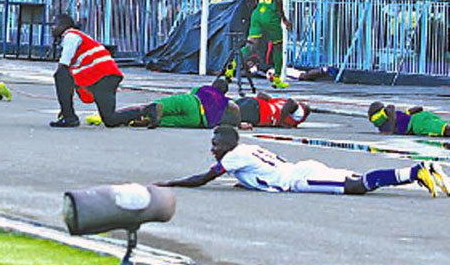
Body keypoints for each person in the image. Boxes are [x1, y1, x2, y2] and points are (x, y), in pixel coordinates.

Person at [155, 125, 447, 197]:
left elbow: (204, 178)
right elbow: (265, 170)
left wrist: (171, 183)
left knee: (357, 186)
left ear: (228, 145)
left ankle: (416, 171)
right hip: (299, 169)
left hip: (299, 179)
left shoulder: (233, 156)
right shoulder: (247, 151)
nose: (213, 150)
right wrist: (250, 184)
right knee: (357, 180)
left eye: (215, 145)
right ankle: (417, 172)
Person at [50, 14, 125, 128]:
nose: (52, 28)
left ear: (64, 26)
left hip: (103, 76)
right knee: (110, 119)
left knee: (60, 76)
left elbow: (64, 65)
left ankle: (69, 117)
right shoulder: (78, 36)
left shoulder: (70, 36)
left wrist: (65, 105)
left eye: (55, 24)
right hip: (107, 76)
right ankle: (147, 111)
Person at [88, 79, 240, 128]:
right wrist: (238, 123)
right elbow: (235, 107)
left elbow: (190, 95)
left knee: (163, 105)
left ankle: (151, 112)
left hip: (194, 103)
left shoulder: (205, 89)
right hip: (199, 121)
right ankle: (146, 121)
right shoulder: (224, 100)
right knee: (168, 122)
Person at [238, 0, 291, 89]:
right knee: (278, 46)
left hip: (257, 14)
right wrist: (284, 18)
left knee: (250, 44)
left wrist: (255, 8)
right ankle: (277, 78)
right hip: (271, 16)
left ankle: (231, 68)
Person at [367, 102, 450, 137]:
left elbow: (390, 108)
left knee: (441, 129)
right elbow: (415, 110)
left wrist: (390, 132)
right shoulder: (381, 119)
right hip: (419, 119)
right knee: (442, 125)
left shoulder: (380, 117)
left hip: (417, 123)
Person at [237, 93, 309, 129]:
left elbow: (291, 104)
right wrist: (280, 122)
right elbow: (291, 103)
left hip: (256, 108)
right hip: (258, 111)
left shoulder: (300, 114)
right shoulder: (284, 103)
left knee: (228, 109)